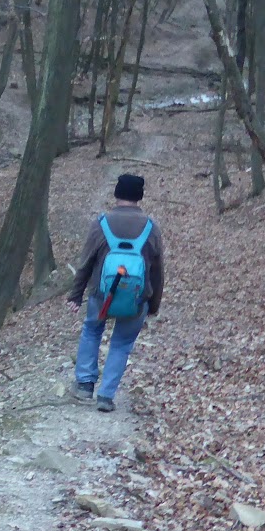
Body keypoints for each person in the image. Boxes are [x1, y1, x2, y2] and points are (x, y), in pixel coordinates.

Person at [67, 174, 165, 413]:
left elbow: (86, 263)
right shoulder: (151, 228)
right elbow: (157, 270)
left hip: (101, 295)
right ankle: (106, 396)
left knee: (92, 330)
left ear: (117, 193)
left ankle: (85, 384)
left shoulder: (101, 224)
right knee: (121, 344)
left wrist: (76, 295)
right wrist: (153, 304)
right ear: (139, 197)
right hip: (136, 299)